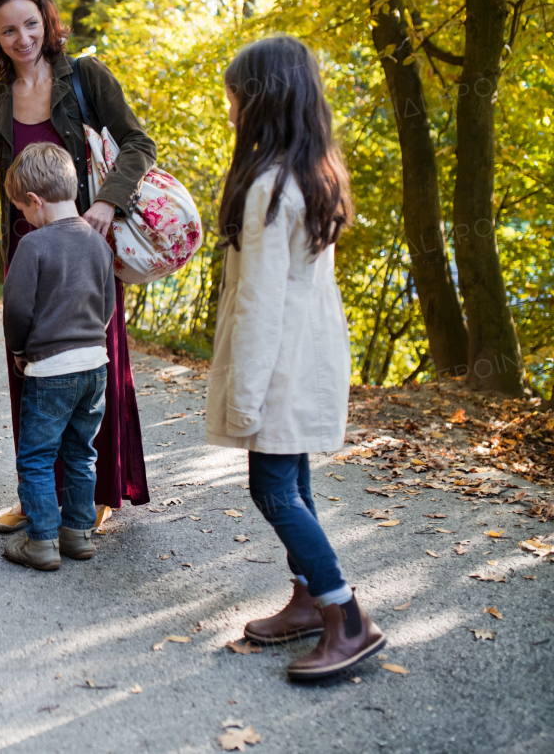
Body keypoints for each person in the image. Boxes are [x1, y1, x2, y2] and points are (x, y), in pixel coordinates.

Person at [0, 0, 155, 534]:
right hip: (27, 257)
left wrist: (105, 203)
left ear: (45, 22)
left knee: (92, 369)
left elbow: (138, 144)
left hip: (86, 250)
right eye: (8, 29)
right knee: (29, 374)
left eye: (30, 23)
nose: (22, 37)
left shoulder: (86, 79)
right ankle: (38, 497)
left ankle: (94, 496)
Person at [206, 35, 383, 680]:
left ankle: (346, 615)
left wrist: (244, 398)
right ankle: (309, 600)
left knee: (273, 488)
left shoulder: (268, 189)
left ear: (261, 101)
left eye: (234, 97)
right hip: (306, 356)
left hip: (277, 366)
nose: (229, 109)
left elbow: (259, 308)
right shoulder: (312, 173)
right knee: (296, 480)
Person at [0, 143, 115, 570]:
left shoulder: (33, 245)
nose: (25, 219)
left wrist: (19, 350)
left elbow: (17, 310)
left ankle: (42, 541)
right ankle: (79, 533)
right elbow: (107, 306)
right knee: (82, 452)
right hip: (95, 366)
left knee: (36, 456)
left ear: (35, 200)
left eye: (22, 210)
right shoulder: (99, 243)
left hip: (50, 369)